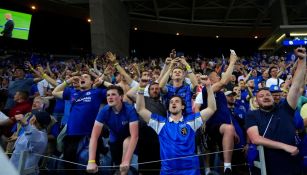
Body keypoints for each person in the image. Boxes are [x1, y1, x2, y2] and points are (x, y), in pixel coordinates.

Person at [136, 75, 216, 175]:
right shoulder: (160, 123)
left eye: (177, 101)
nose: (173, 103)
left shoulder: (191, 121)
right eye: (171, 102)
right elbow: (140, 109)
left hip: (191, 171)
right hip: (168, 171)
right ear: (169, 107)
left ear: (182, 106)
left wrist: (208, 87)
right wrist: (141, 88)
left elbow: (211, 109)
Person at [245, 47, 306, 175]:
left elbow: (295, 86)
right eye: (261, 96)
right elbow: (256, 139)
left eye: (268, 94)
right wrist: (285, 146)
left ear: (273, 97)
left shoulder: (285, 108)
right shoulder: (252, 115)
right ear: (256, 102)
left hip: (293, 161)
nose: (266, 97)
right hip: (269, 164)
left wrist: (302, 60)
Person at [87, 85, 139, 175]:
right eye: (108, 95)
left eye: (113, 94)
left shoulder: (130, 110)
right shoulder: (104, 111)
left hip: (129, 137)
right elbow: (94, 137)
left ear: (121, 97)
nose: (110, 97)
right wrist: (91, 161)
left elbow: (135, 136)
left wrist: (126, 160)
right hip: (115, 138)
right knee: (117, 166)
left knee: (126, 148)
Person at [10, 111, 51, 175]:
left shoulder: (41, 137)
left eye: (33, 117)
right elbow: (28, 139)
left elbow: (33, 136)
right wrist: (18, 138)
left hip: (24, 172)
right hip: (14, 167)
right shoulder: (35, 131)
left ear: (34, 120)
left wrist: (25, 124)